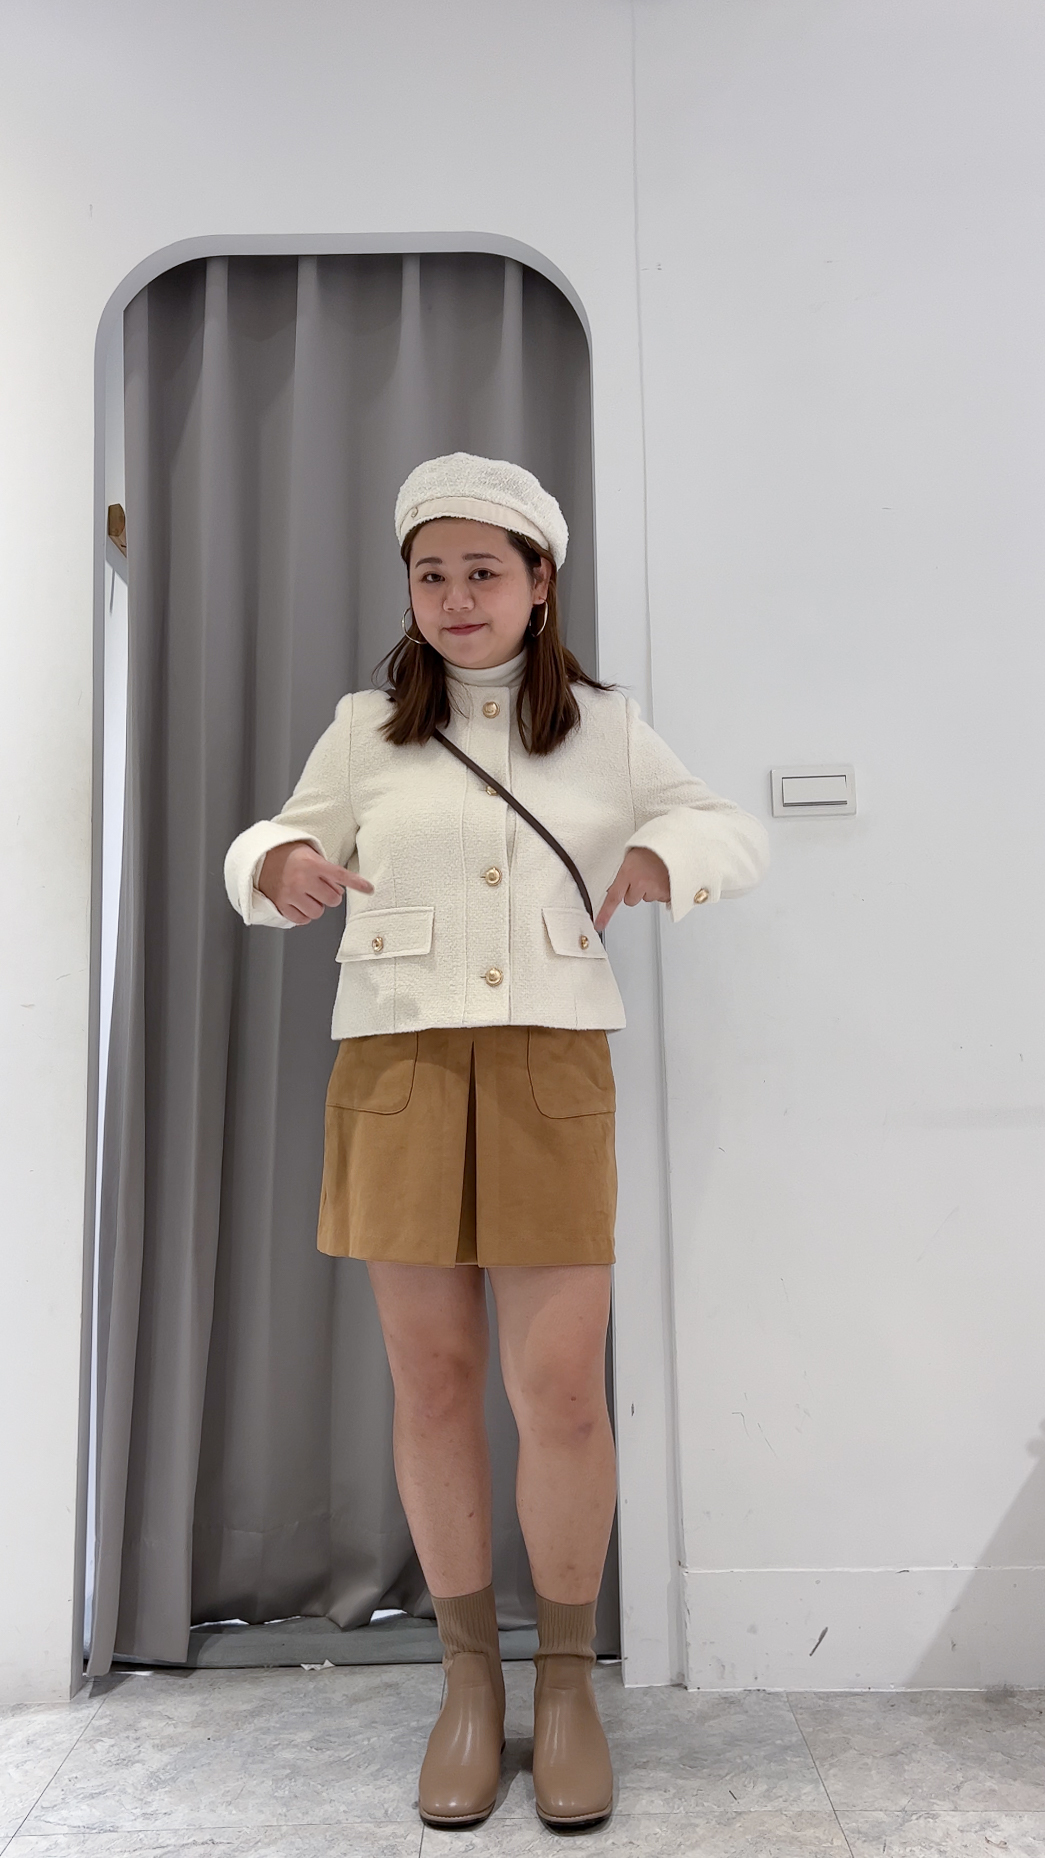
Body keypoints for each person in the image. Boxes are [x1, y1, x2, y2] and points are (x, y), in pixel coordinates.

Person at [223, 451, 769, 1831]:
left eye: (484, 570)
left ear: (539, 582)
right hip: (397, 1065)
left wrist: (664, 859)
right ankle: (468, 1685)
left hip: (549, 1071)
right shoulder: (367, 728)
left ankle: (567, 1688)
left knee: (561, 1392)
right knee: (432, 1382)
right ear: (407, 590)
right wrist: (274, 863)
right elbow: (278, 835)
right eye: (431, 573)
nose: (456, 596)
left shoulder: (604, 727)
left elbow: (725, 827)